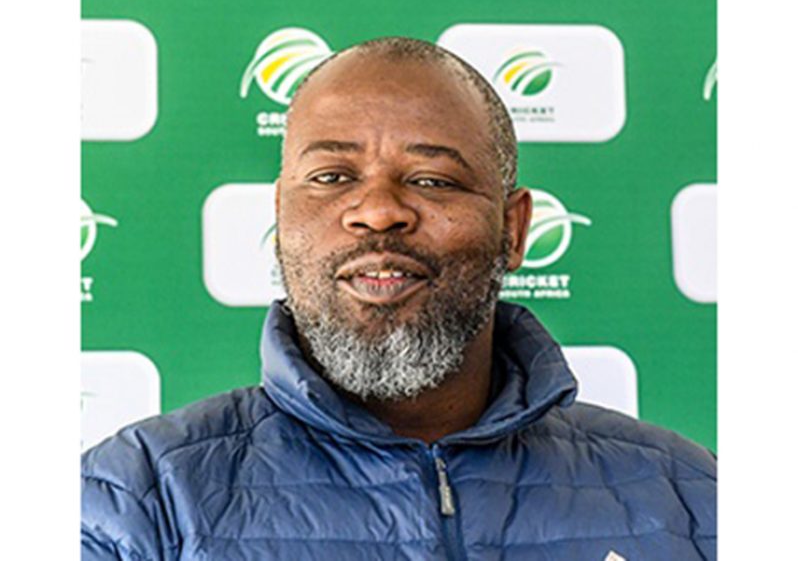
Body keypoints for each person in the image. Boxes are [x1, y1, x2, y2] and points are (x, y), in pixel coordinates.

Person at [82, 37, 716, 560]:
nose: (379, 211)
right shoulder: (137, 503)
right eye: (332, 177)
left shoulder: (694, 501)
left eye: (433, 180)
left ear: (514, 229)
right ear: (280, 216)